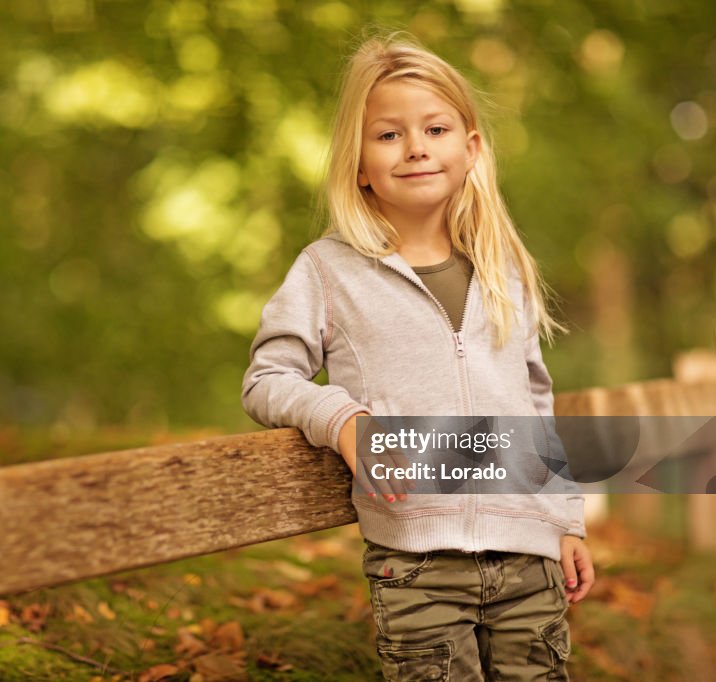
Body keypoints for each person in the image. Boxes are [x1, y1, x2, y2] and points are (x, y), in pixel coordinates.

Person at [241, 34, 595, 681]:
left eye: (435, 127)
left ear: (471, 148)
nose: (416, 148)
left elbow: (535, 407)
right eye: (388, 135)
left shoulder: (502, 269)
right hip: (415, 564)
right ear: (357, 164)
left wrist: (565, 520)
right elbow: (267, 379)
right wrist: (346, 421)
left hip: (527, 557)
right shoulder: (328, 270)